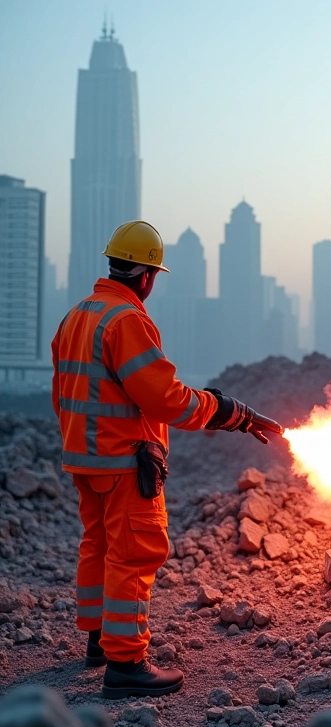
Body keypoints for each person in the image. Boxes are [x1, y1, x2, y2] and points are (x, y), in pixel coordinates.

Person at [51, 220, 283, 700]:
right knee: (134, 554)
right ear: (147, 276)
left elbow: (66, 391)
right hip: (123, 461)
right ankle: (127, 663)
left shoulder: (78, 315)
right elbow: (166, 400)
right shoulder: (127, 321)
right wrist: (228, 412)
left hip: (84, 457)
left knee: (99, 546)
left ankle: (100, 641)